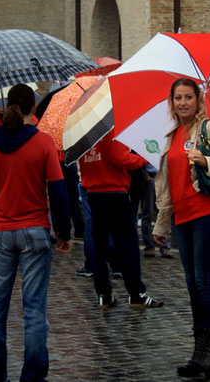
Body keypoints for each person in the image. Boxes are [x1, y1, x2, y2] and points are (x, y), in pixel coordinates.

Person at [0, 84, 72, 382]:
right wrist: (64, 233)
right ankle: (33, 376)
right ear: (33, 110)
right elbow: (59, 192)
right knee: (34, 311)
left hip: (0, 234)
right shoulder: (43, 143)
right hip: (35, 232)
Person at [153, 78, 210, 380]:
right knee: (191, 285)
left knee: (204, 283)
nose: (182, 103)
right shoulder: (172, 135)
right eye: (177, 98)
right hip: (183, 218)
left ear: (197, 99)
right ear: (172, 102)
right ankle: (199, 353)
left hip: (207, 213)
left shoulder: (208, 128)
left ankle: (209, 352)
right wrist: (161, 224)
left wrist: (205, 160)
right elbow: (168, 186)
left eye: (188, 97)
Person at [80, 132, 164, 309]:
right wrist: (143, 158)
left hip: (94, 193)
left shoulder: (84, 131)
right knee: (127, 245)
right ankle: (136, 294)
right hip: (115, 191)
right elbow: (121, 158)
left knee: (99, 245)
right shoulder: (111, 129)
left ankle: (104, 294)